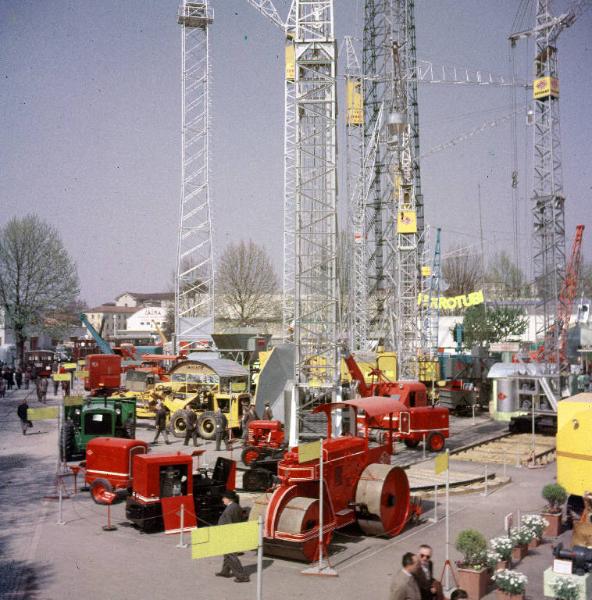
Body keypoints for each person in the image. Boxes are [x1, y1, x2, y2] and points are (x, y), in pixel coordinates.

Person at [215, 491, 250, 583]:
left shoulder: (229, 510)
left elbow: (228, 524)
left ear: (228, 499)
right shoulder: (236, 506)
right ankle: (225, 571)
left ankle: (242, 576)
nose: (223, 500)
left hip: (228, 534)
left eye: (224, 498)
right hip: (234, 532)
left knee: (231, 555)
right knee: (227, 554)